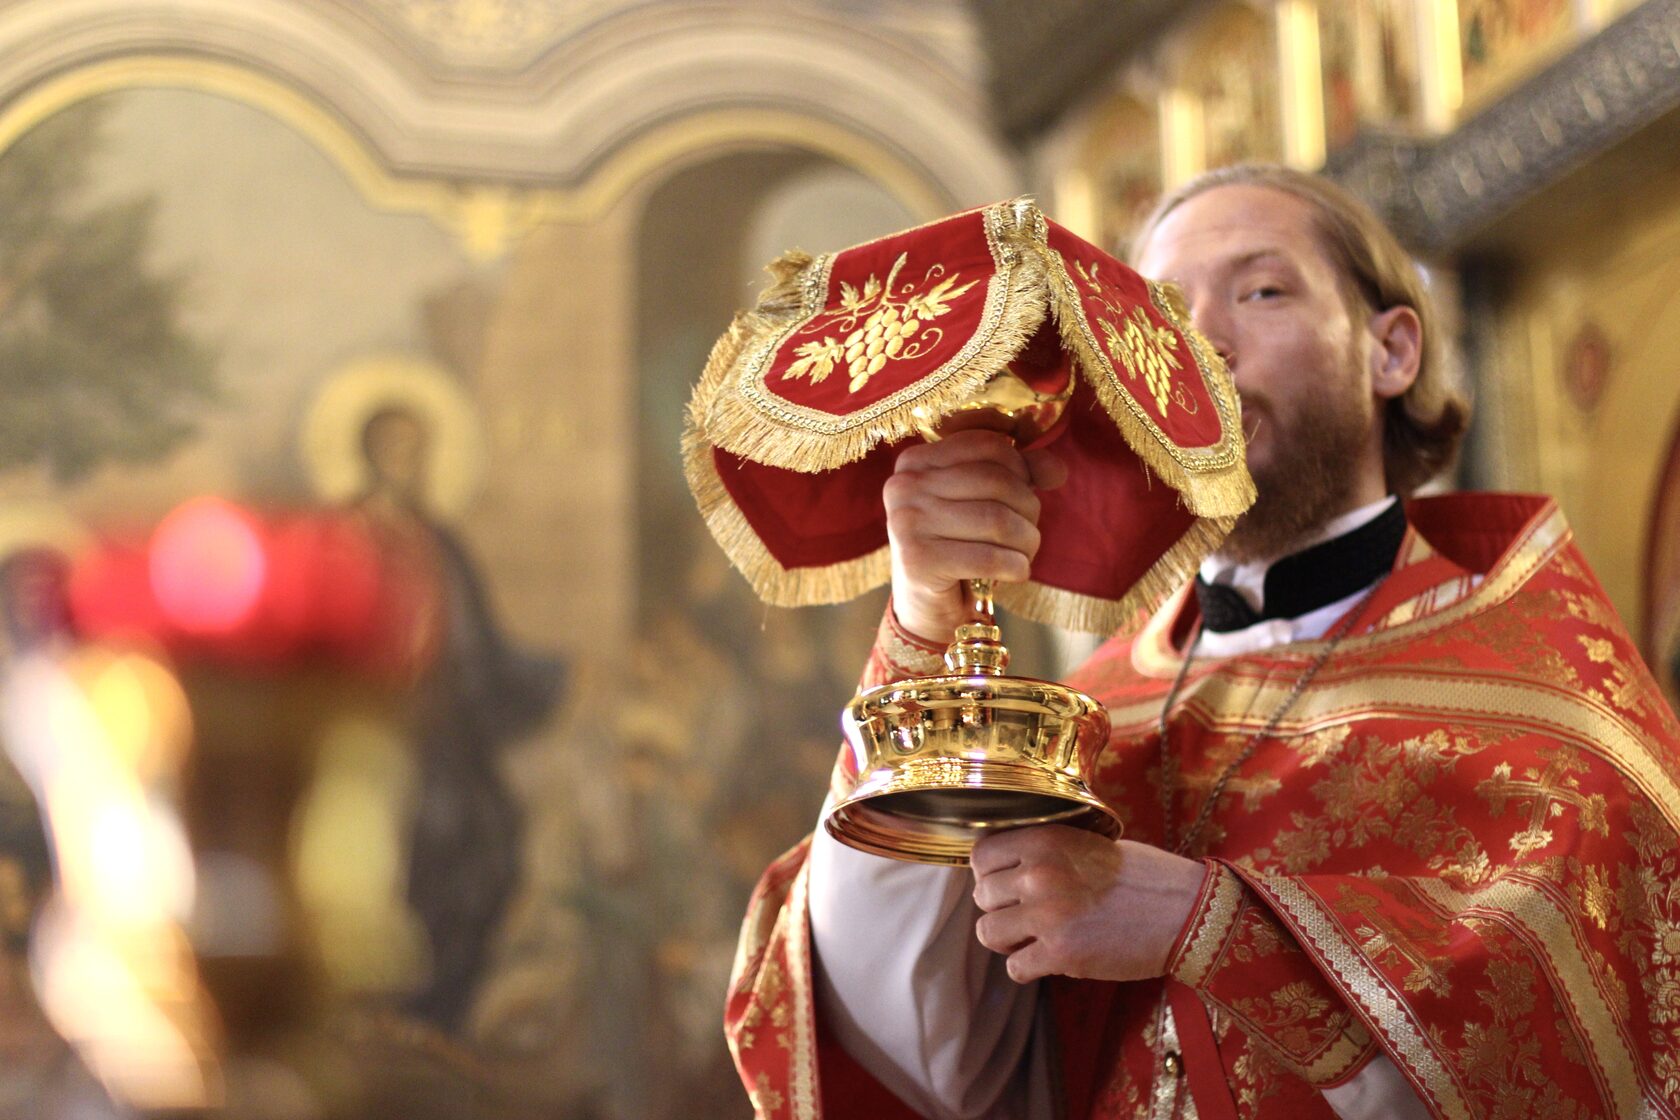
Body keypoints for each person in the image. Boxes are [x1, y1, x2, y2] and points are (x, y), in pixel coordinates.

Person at [723, 164, 1680, 1119]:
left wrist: (1205, 925)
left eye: (1262, 291)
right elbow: (911, 1054)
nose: (1206, 344)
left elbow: (1582, 1055)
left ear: (1390, 351)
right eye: (1163, 315)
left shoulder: (1550, 695)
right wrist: (926, 630)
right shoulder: (1094, 715)